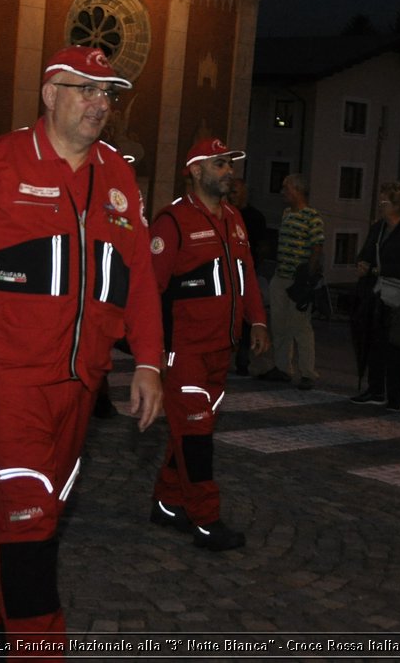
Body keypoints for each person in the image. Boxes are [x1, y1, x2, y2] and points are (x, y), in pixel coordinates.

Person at [0, 45, 163, 651]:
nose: (100, 103)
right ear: (50, 94)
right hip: (6, 382)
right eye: (86, 89)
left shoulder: (118, 175)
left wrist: (151, 363)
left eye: (109, 93)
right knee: (30, 511)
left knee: (34, 514)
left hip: (82, 388)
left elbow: (139, 280)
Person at [147, 138, 269, 551]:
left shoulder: (234, 218)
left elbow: (246, 274)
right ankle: (206, 518)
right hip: (184, 351)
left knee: (191, 428)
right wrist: (153, 354)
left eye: (230, 164)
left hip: (222, 349)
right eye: (220, 164)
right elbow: (150, 289)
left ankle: (166, 501)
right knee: (197, 435)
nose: (229, 172)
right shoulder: (173, 221)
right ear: (196, 170)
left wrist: (259, 320)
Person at [249, 173, 324, 389]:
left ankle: (308, 372)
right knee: (279, 325)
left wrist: (306, 280)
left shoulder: (313, 217)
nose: (283, 192)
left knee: (301, 327)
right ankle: (283, 368)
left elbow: (317, 248)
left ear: (298, 190)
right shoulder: (286, 214)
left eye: (286, 188)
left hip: (297, 280)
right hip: (281, 277)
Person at [351, 182, 400, 408]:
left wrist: (376, 269)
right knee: (373, 341)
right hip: (374, 292)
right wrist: (363, 263)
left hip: (395, 296)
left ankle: (393, 396)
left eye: (385, 201)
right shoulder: (378, 227)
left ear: (397, 205)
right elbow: (366, 252)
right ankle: (375, 389)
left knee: (393, 346)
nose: (381, 205)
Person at [228, 175, 269, 376]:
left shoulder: (255, 217)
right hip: (227, 275)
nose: (231, 196)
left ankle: (242, 359)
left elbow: (262, 246)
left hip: (246, 272)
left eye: (235, 192)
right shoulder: (225, 214)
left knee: (246, 320)